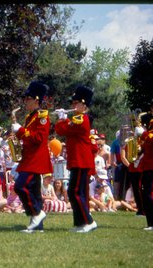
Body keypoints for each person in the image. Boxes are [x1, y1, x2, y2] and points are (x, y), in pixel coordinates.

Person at [10, 81, 53, 233]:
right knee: (34, 192)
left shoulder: (43, 116)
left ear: (36, 100)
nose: (25, 101)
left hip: (35, 160)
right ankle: (37, 226)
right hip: (29, 158)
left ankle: (37, 213)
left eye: (28, 99)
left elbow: (39, 138)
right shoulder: (30, 117)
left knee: (20, 186)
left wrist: (20, 131)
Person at [55, 85, 97, 233]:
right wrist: (64, 120)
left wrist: (62, 119)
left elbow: (62, 130)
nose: (72, 106)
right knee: (74, 192)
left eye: (75, 103)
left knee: (76, 192)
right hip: (77, 161)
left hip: (81, 161)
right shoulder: (77, 118)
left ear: (83, 104)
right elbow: (64, 131)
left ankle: (88, 221)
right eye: (72, 103)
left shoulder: (81, 118)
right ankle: (80, 223)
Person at [139, 91, 153, 231]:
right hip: (148, 161)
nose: (151, 109)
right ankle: (152, 222)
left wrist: (144, 134)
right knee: (145, 192)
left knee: (151, 192)